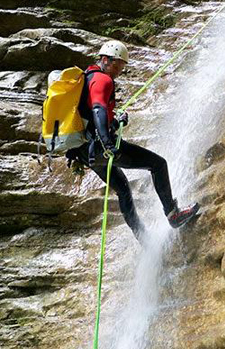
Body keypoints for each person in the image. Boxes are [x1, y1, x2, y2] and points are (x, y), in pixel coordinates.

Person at [66, 40, 199, 240]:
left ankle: (142, 238)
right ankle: (173, 214)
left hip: (86, 152)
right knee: (158, 164)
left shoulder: (87, 79)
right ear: (104, 60)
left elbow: (91, 116)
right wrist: (108, 143)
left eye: (121, 67)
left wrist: (115, 121)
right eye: (116, 65)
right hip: (101, 148)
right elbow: (98, 110)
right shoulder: (103, 80)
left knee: (122, 188)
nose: (118, 71)